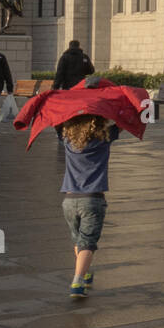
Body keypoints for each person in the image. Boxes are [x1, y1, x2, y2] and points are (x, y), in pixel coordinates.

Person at [60, 110, 121, 298]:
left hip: (69, 200)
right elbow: (123, 122)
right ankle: (77, 280)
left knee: (78, 240)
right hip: (93, 198)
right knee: (88, 242)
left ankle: (85, 272)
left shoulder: (67, 141)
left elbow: (57, 123)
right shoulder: (105, 138)